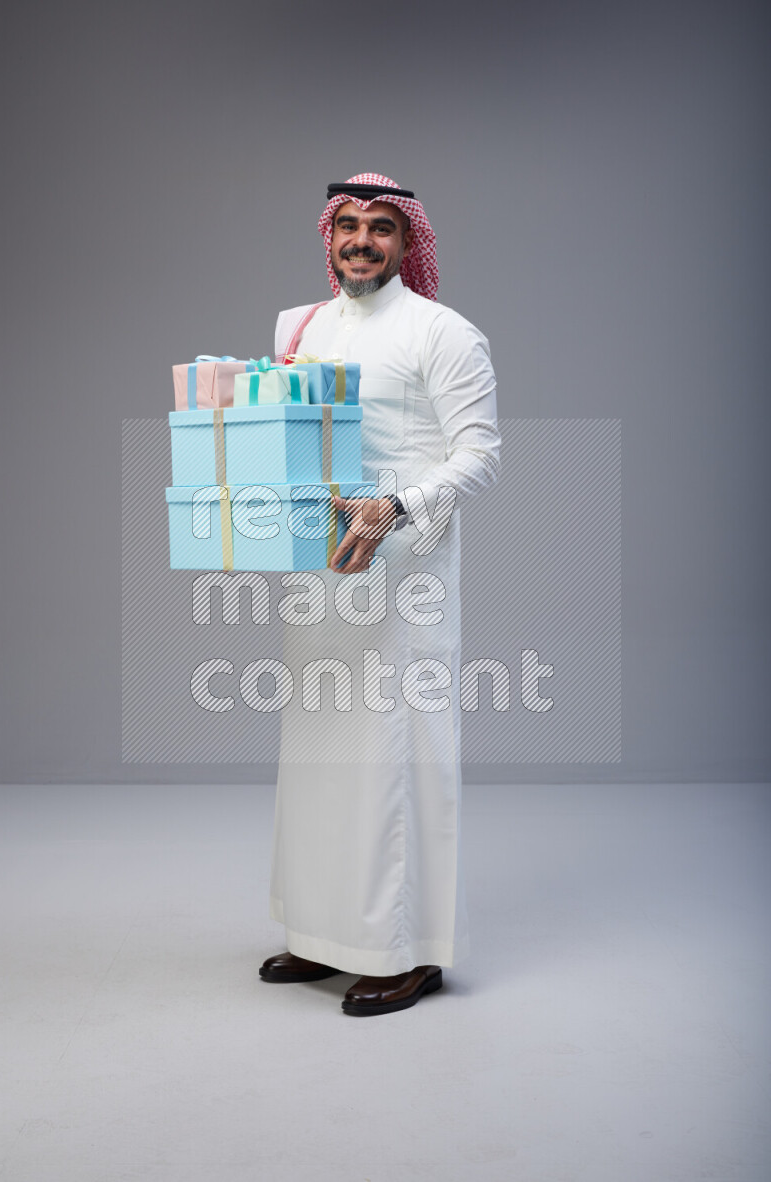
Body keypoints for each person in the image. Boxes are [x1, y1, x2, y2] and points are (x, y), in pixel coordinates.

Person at [260, 173, 501, 1016]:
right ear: (328, 237)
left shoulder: (443, 331)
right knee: (320, 750)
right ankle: (323, 935)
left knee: (396, 756)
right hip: (318, 571)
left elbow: (480, 454)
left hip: (405, 573)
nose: (361, 241)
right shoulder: (300, 327)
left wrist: (396, 506)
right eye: (348, 226)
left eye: (381, 229)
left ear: (408, 243)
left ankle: (407, 951)